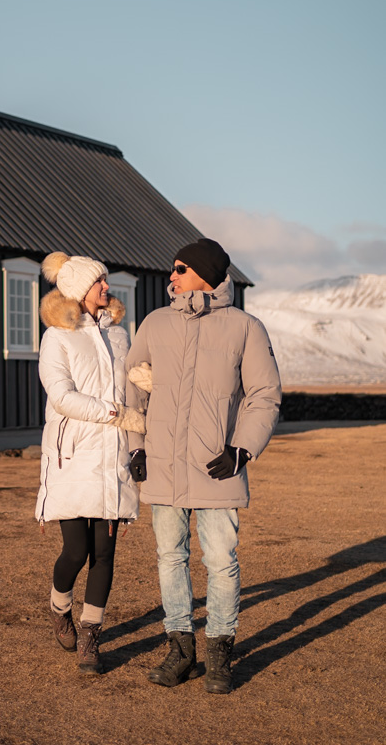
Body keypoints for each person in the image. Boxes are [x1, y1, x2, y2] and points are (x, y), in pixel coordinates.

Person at [125, 237, 281, 694]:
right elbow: (134, 388)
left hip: (218, 467)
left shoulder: (246, 328)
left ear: (204, 273)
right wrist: (136, 446)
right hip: (163, 466)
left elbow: (264, 396)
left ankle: (219, 654)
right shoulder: (155, 324)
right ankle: (180, 651)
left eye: (178, 268)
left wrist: (242, 449)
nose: (170, 276)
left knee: (220, 561)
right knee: (170, 558)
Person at [35, 251, 146, 674]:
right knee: (76, 550)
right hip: (72, 454)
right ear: (81, 290)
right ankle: (59, 604)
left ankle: (91, 637)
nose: (106, 286)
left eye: (104, 280)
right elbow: (61, 395)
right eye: (99, 281)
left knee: (105, 550)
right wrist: (114, 413)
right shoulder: (57, 337)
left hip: (113, 454)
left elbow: (134, 384)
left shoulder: (120, 335)